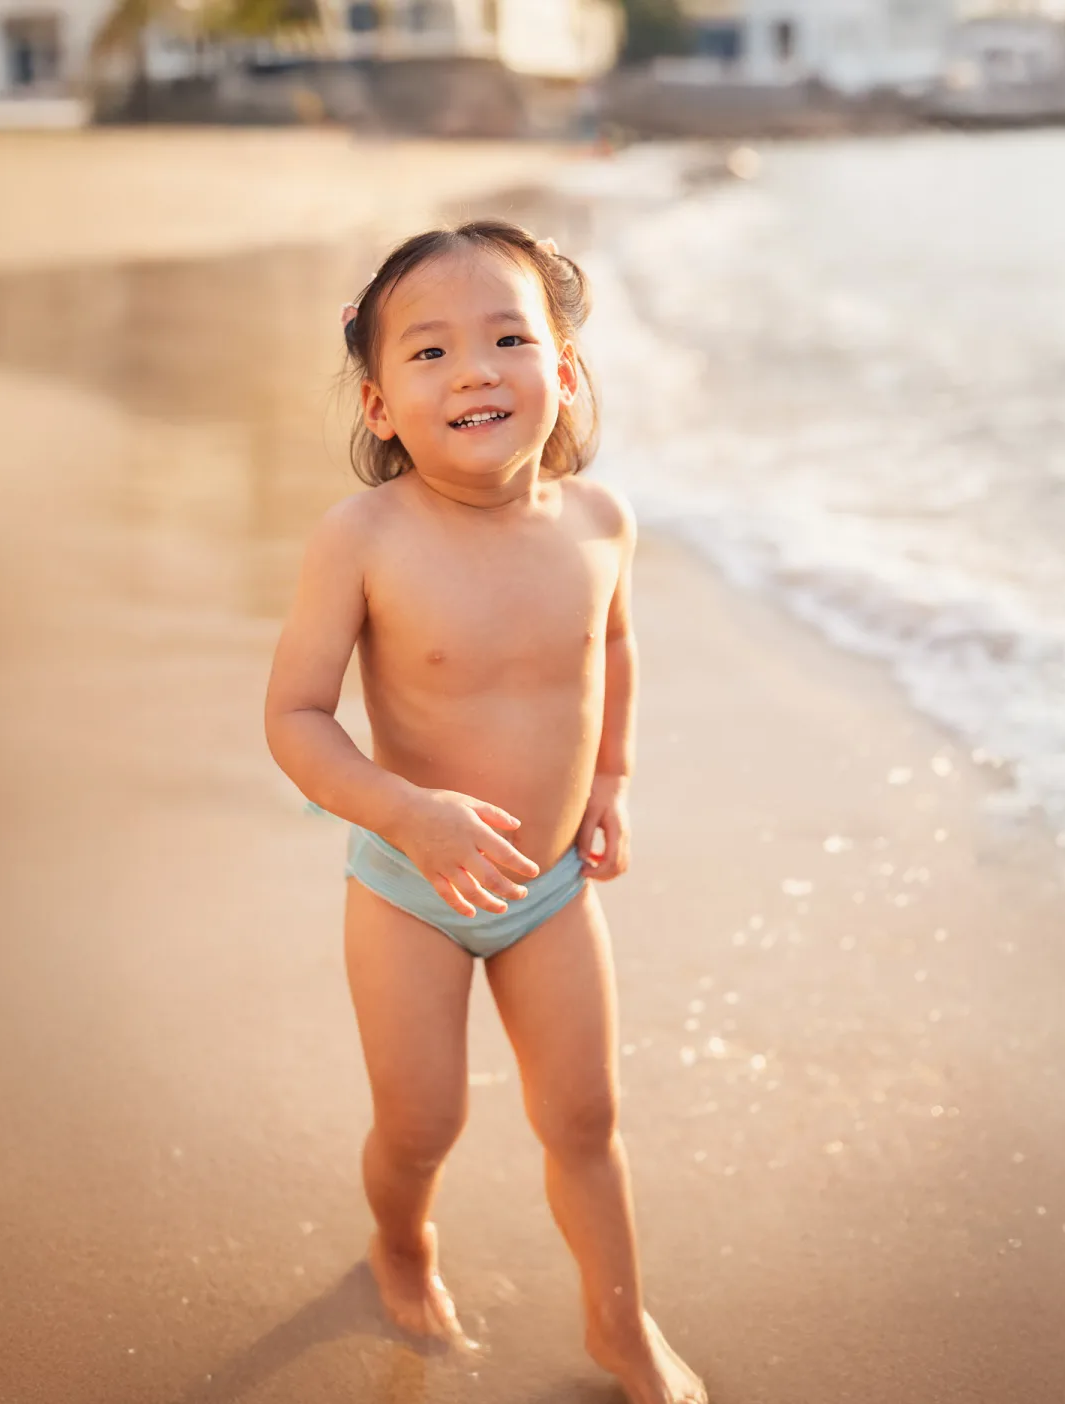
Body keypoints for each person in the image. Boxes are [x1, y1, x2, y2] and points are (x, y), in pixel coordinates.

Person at [264, 220, 705, 1404]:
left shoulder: (600, 524)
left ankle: (619, 1326)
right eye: (430, 352)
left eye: (509, 337)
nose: (474, 369)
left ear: (562, 372)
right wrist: (405, 814)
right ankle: (400, 1241)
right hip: (409, 892)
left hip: (549, 887)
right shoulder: (362, 540)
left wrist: (608, 779)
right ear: (377, 405)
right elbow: (297, 719)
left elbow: (610, 646)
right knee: (422, 1126)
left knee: (586, 1117)